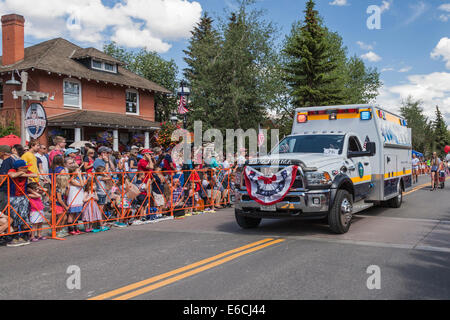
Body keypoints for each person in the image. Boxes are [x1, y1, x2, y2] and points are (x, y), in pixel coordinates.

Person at [6, 160, 38, 247]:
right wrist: (21, 173)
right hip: (13, 197)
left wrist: (23, 174)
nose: (27, 168)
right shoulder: (12, 170)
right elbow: (12, 175)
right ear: (19, 168)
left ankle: (25, 237)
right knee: (15, 217)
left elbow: (35, 175)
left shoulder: (25, 172)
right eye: (25, 167)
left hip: (23, 196)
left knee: (24, 216)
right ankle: (15, 237)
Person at [66, 165, 85, 235]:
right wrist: (80, 176)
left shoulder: (76, 178)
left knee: (76, 214)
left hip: (78, 198)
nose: (79, 171)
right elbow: (82, 185)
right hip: (73, 198)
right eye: (77, 170)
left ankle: (76, 228)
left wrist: (81, 176)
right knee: (71, 214)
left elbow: (83, 183)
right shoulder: (71, 180)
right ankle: (70, 229)